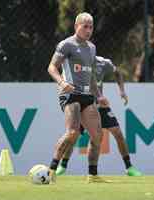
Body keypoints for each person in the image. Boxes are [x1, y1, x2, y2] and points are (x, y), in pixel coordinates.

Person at [55, 56, 142, 177]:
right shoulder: (77, 61)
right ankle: (62, 166)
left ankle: (129, 167)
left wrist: (122, 91)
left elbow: (117, 72)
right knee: (73, 135)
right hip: (83, 105)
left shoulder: (103, 63)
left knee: (117, 132)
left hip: (99, 105)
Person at [47, 12, 107, 183]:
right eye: (85, 26)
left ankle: (92, 175)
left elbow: (91, 76)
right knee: (72, 132)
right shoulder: (66, 45)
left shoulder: (92, 48)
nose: (88, 30)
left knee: (97, 135)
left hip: (87, 95)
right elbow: (51, 67)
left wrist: (99, 95)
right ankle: (51, 170)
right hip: (70, 94)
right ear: (76, 26)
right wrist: (61, 82)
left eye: (91, 27)